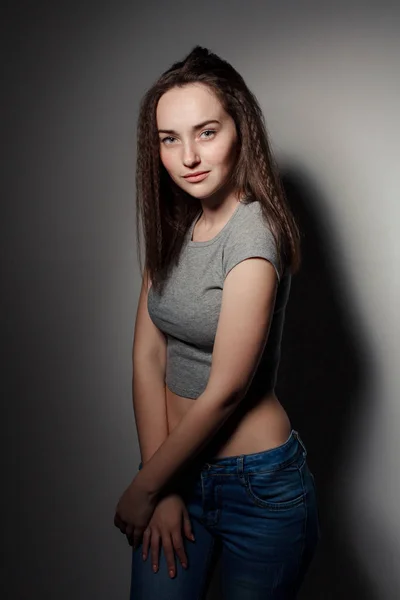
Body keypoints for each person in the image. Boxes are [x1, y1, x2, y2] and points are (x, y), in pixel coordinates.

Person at [114, 45, 320, 599]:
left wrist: (145, 486)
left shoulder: (255, 233)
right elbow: (147, 356)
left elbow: (227, 390)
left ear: (240, 128)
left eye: (206, 132)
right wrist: (166, 486)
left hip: (258, 491)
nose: (188, 157)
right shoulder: (177, 223)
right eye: (169, 139)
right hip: (174, 469)